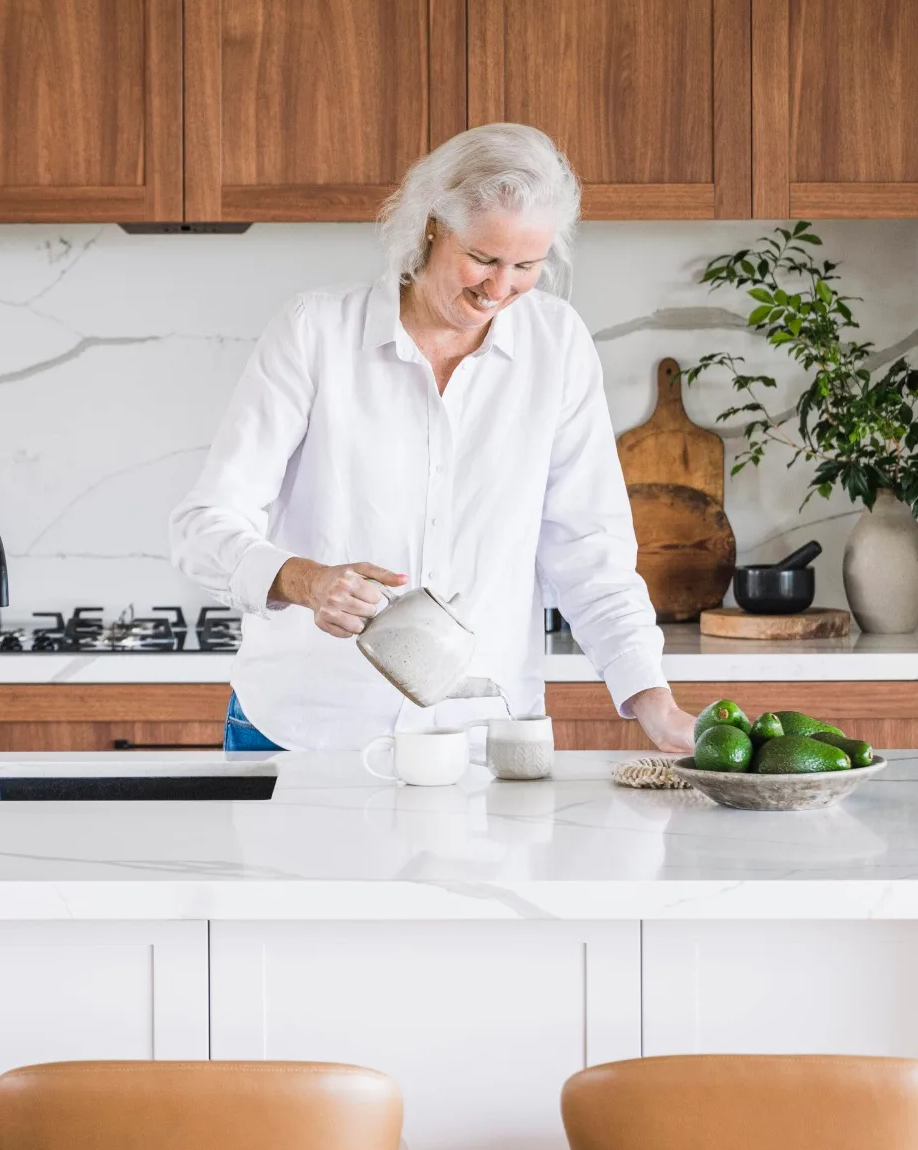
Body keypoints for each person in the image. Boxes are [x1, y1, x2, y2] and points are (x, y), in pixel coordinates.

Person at [170, 123, 695, 756]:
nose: (499, 289)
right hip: (305, 732)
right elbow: (204, 525)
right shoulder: (317, 334)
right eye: (483, 258)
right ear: (430, 228)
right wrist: (305, 581)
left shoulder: (555, 345)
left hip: (479, 738)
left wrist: (654, 703)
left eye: (526, 266)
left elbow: (590, 551)